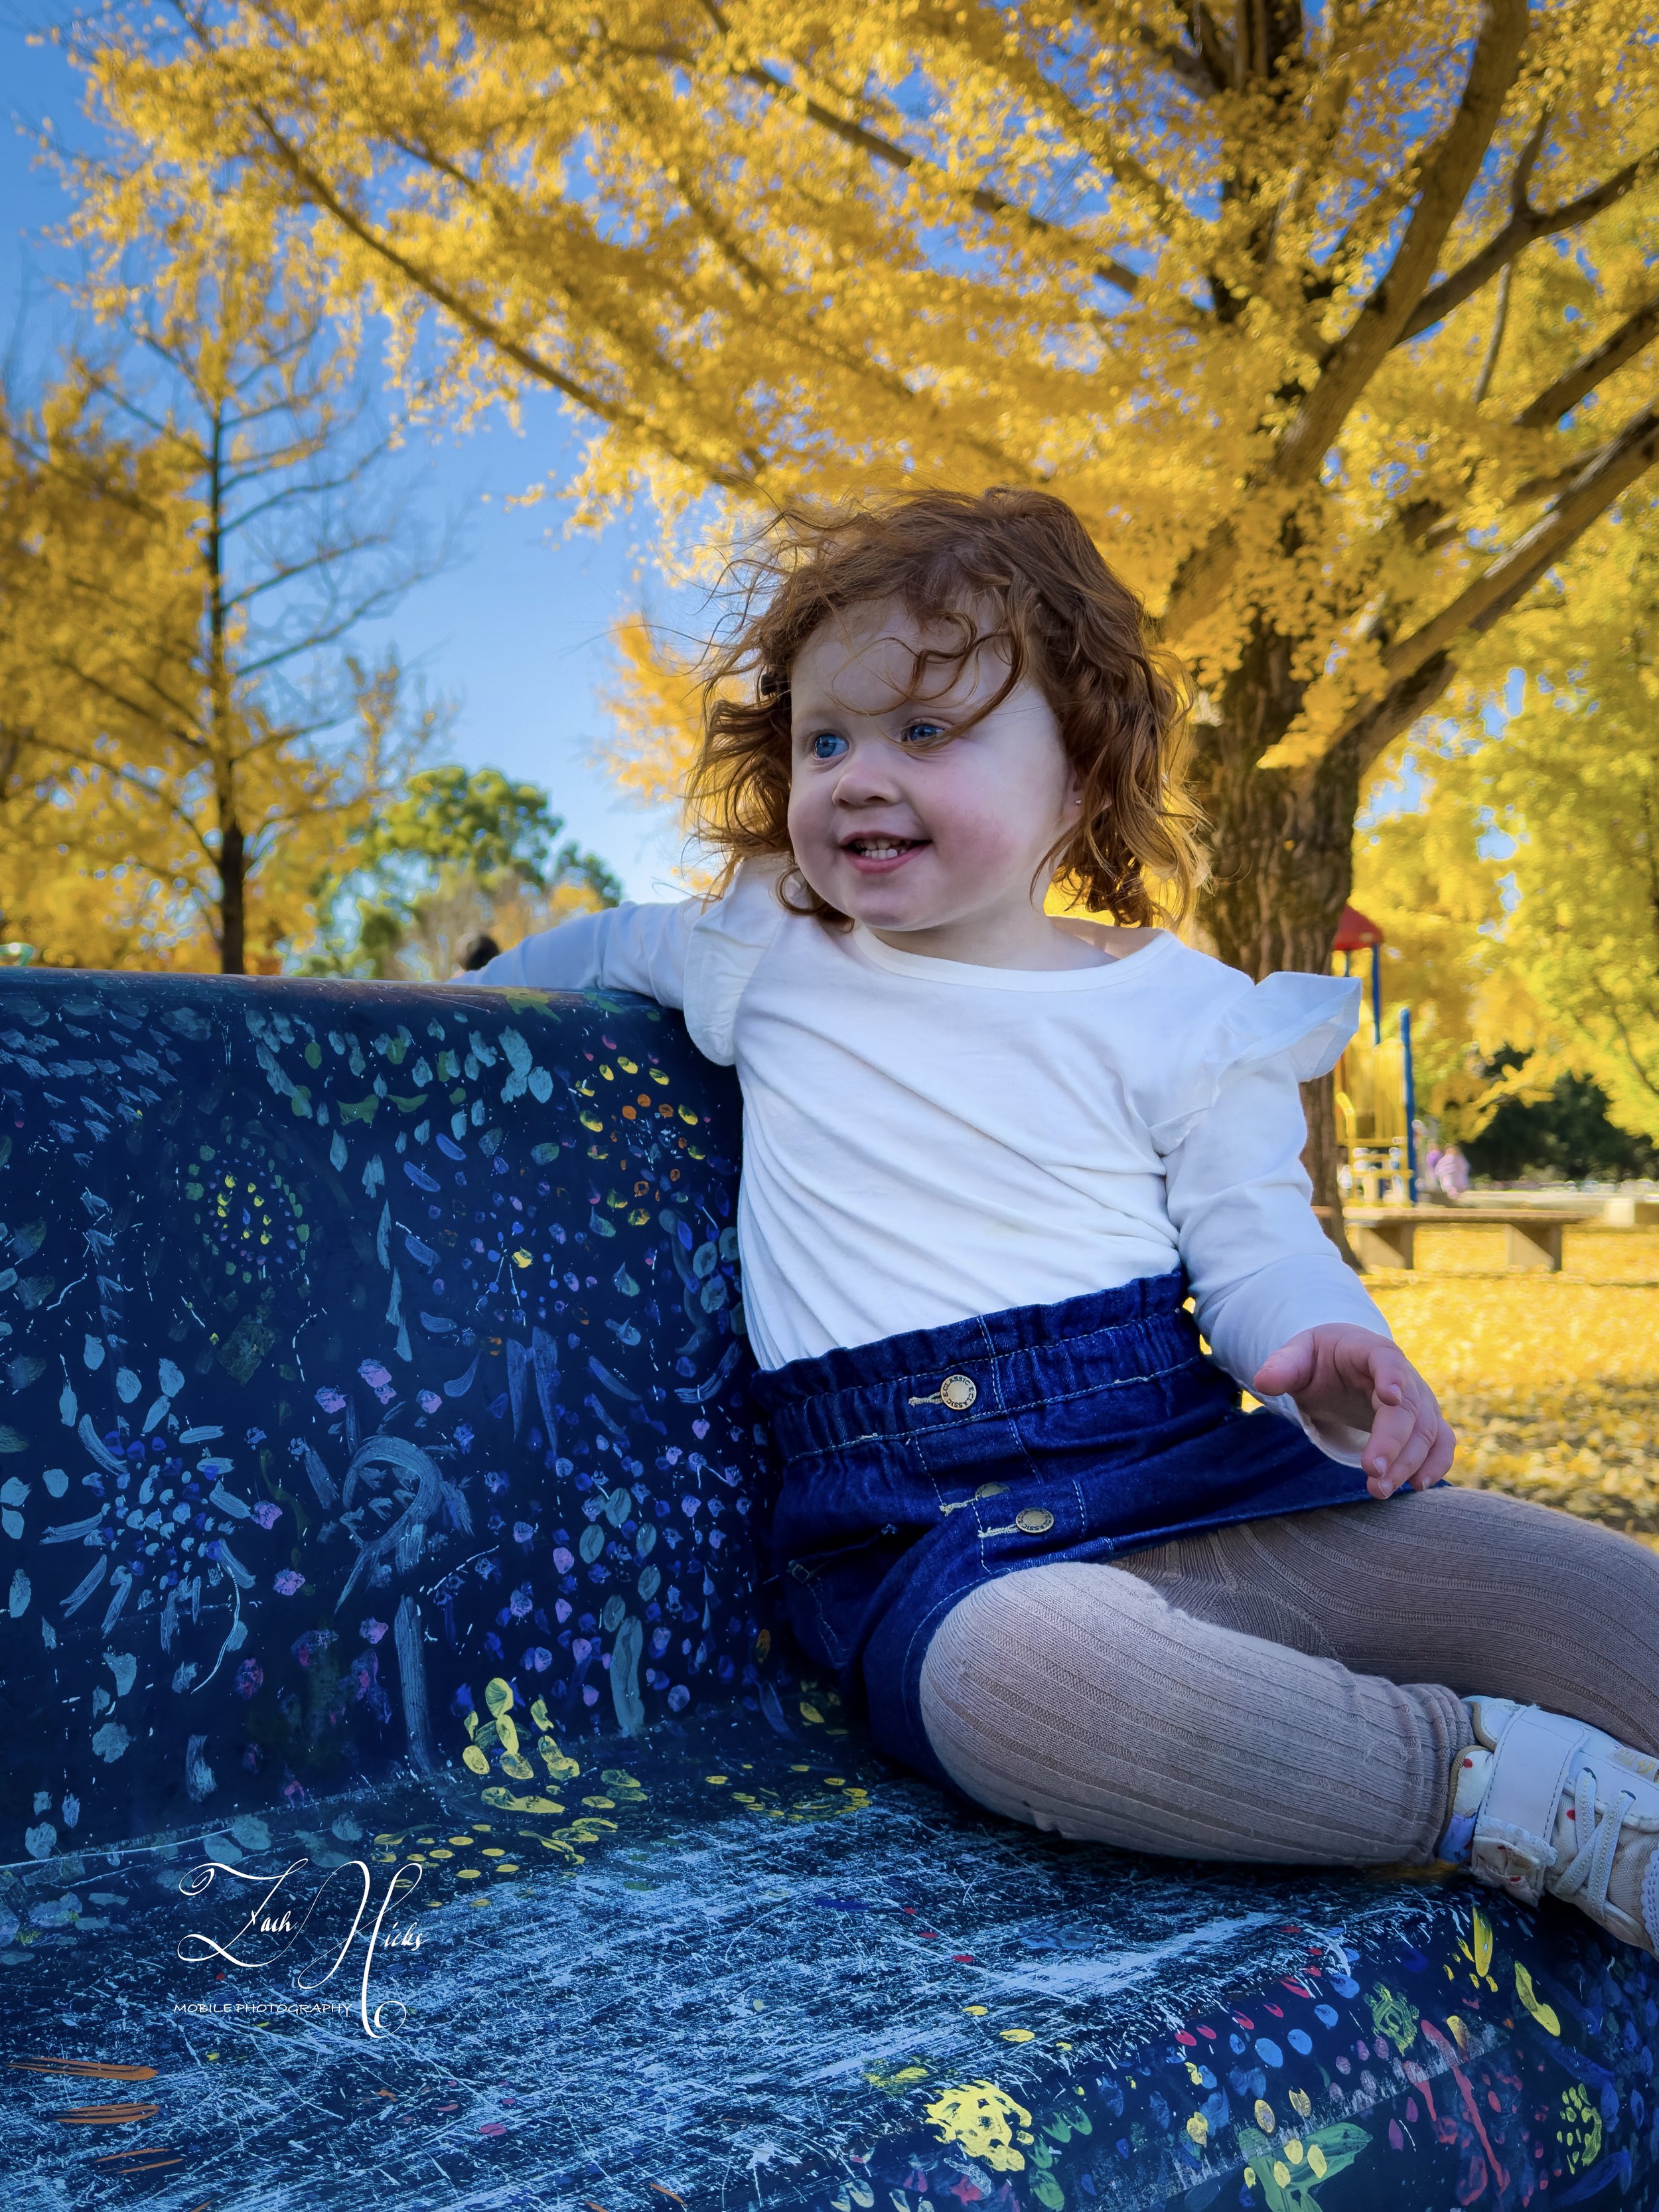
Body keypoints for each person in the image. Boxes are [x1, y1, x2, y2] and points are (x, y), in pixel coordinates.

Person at [463, 488, 1659, 1958]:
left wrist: (1323, 1338)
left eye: (922, 732)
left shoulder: (1184, 1011)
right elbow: (564, 960)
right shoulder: (763, 943)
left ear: (1080, 772)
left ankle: (1555, 1726)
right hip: (949, 1551)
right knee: (1023, 1695)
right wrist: (410, 1029)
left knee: (1602, 1604)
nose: (852, 777)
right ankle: (1511, 1790)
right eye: (822, 739)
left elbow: (1253, 1236)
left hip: (1205, 1482)